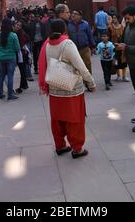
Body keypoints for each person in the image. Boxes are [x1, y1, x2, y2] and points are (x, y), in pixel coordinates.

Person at [38, 19, 96, 158]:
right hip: (71, 89)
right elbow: (80, 66)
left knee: (57, 119)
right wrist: (91, 82)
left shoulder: (46, 44)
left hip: (54, 87)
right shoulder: (67, 43)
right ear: (64, 29)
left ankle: (60, 145)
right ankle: (77, 149)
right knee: (74, 119)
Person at [0, 18, 20, 100]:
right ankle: (10, 95)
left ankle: (0, 93)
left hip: (2, 57)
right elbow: (17, 48)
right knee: (10, 76)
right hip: (11, 57)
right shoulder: (13, 35)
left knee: (2, 75)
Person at [68, 10, 95, 74]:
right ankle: (80, 82)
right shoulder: (68, 24)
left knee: (87, 64)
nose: (73, 15)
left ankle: (89, 81)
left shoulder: (85, 24)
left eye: (75, 14)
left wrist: (92, 47)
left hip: (84, 49)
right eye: (72, 13)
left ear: (80, 16)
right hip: (73, 49)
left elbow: (90, 35)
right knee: (75, 66)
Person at [108, 14, 130, 82]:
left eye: (114, 18)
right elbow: (108, 37)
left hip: (121, 46)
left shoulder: (122, 27)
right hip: (113, 47)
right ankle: (118, 76)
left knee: (123, 61)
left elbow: (125, 36)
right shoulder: (110, 27)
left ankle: (124, 76)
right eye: (113, 18)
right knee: (116, 62)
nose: (113, 19)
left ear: (118, 19)